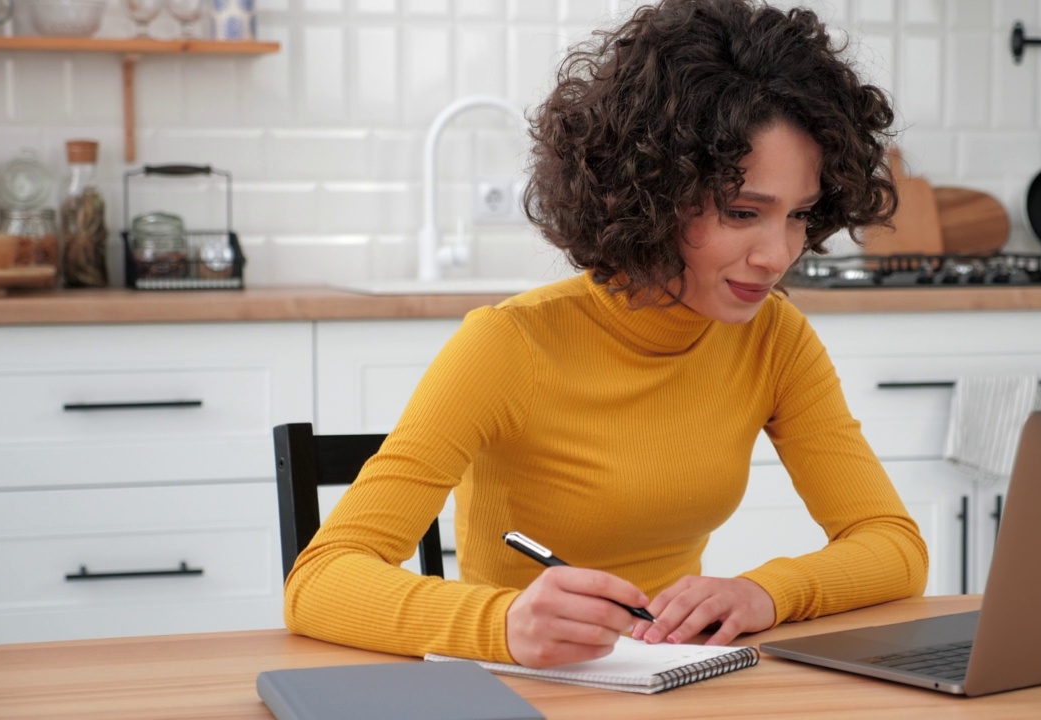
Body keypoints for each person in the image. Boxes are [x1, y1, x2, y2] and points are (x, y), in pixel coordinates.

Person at [285, 0, 927, 669]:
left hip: (676, 678)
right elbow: (321, 581)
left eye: (798, 215)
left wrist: (762, 594)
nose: (777, 254)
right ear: (649, 191)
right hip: (526, 688)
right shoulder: (509, 346)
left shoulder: (775, 341)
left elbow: (894, 546)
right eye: (743, 212)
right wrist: (503, 623)